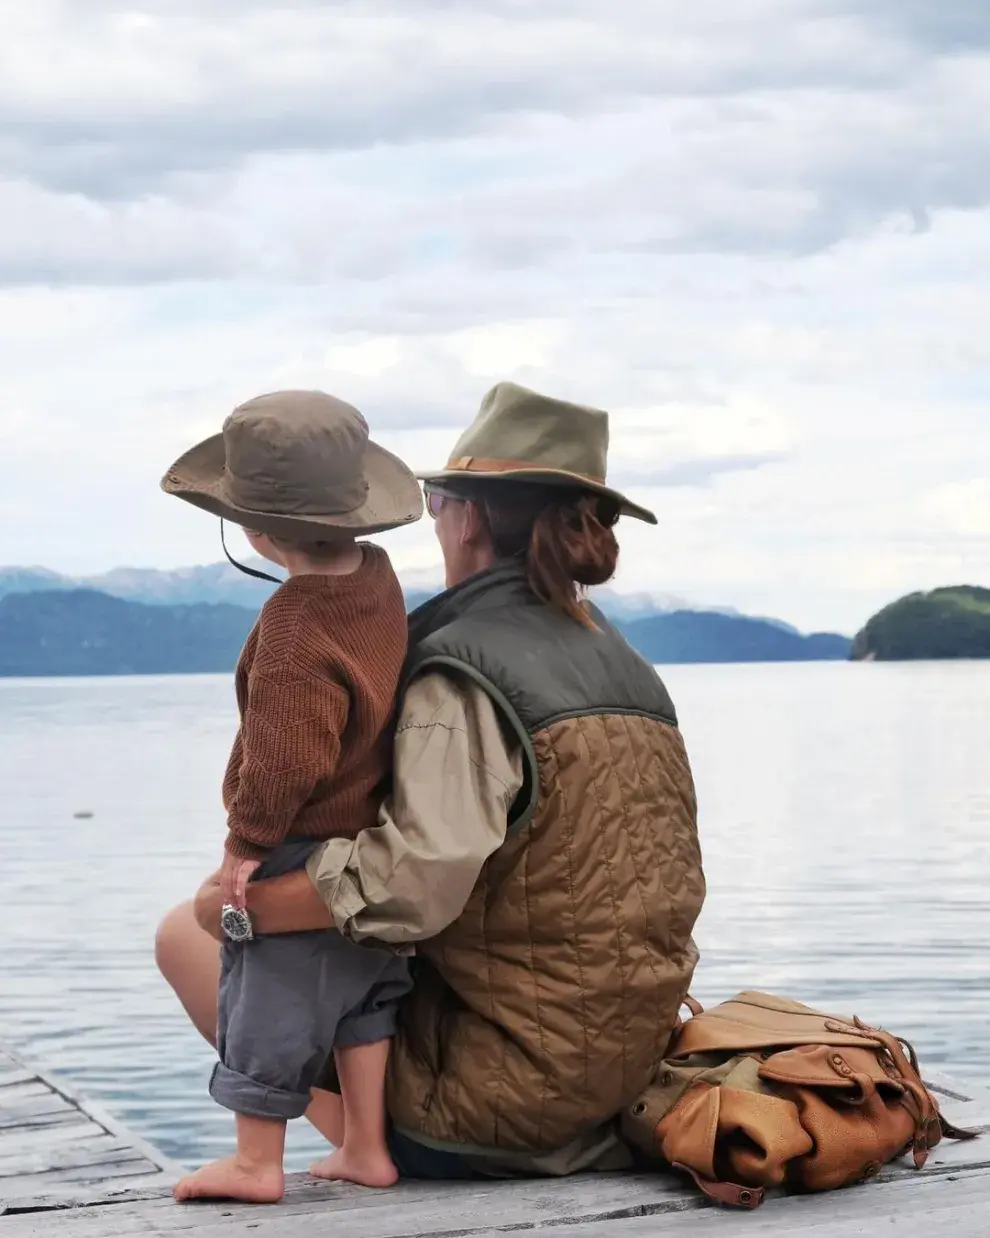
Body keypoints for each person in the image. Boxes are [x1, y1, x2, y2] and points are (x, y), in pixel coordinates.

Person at [157, 380, 706, 1183]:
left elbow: (411, 882)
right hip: (616, 1072)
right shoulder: (622, 662)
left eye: (438, 496)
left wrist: (237, 908)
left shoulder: (464, 671)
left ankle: (350, 1149)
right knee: (350, 969)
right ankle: (364, 1147)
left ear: (471, 516)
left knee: (187, 932)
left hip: (504, 1108)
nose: (434, 511)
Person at [159, 390, 423, 1202]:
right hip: (366, 836)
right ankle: (368, 1147)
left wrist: (245, 844)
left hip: (302, 841)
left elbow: (282, 760)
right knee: (362, 999)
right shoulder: (377, 582)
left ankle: (254, 1163)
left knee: (262, 1000)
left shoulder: (292, 630)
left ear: (257, 531)